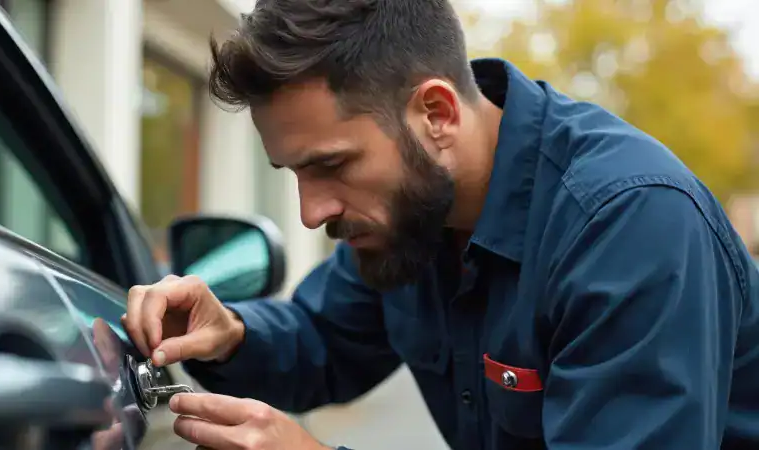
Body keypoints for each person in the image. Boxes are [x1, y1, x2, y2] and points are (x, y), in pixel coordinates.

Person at [122, 0, 759, 448]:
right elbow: (323, 338)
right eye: (293, 173)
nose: (312, 212)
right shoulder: (414, 216)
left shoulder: (629, 224)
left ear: (436, 113)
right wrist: (230, 332)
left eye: (332, 165)